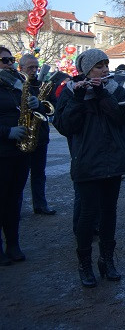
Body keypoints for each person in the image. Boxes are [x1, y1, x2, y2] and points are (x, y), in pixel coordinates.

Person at [53, 49, 125, 287]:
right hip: (87, 162)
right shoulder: (70, 92)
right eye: (99, 66)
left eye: (106, 65)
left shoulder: (114, 89)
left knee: (109, 213)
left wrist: (102, 96)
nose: (105, 70)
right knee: (87, 216)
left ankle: (107, 261)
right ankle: (84, 264)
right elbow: (65, 126)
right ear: (86, 70)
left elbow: (124, 119)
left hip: (113, 161)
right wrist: (79, 100)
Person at [1, 49, 36, 265]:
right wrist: (6, 131)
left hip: (19, 150)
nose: (9, 64)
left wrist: (35, 104)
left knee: (14, 199)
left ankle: (13, 243)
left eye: (11, 60)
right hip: (2, 150)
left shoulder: (17, 84)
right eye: (4, 60)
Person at [18, 54, 57, 215]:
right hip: (22, 134)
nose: (34, 71)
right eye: (30, 68)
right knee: (18, 176)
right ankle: (14, 209)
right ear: (21, 69)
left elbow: (53, 107)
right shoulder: (17, 84)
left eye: (36, 67)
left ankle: (40, 204)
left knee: (39, 173)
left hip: (40, 134)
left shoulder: (43, 85)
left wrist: (40, 105)